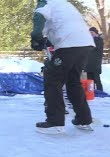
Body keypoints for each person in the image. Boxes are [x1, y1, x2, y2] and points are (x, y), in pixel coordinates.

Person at [30, 0, 95, 134]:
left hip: (68, 44)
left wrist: (35, 38)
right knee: (73, 82)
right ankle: (84, 120)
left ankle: (55, 122)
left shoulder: (45, 2)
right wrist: (43, 40)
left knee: (53, 80)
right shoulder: (64, 4)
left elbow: (39, 17)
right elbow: (60, 26)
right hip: (85, 44)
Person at [85, 27, 104, 91]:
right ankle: (91, 91)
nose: (91, 34)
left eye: (92, 32)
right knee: (89, 79)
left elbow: (95, 48)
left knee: (96, 78)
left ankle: (100, 90)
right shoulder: (89, 40)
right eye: (90, 33)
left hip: (96, 62)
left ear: (96, 33)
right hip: (88, 62)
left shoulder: (99, 40)